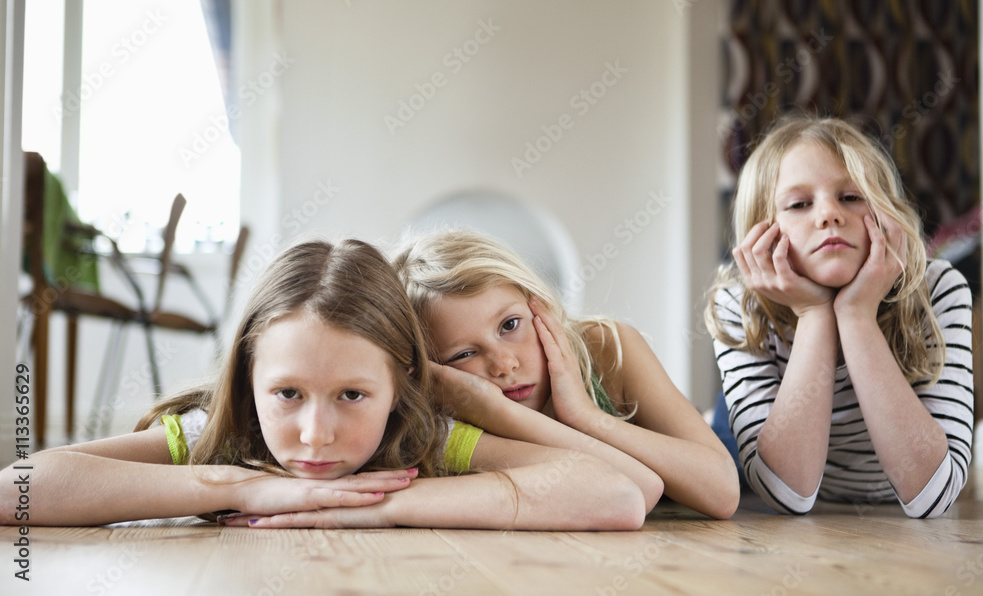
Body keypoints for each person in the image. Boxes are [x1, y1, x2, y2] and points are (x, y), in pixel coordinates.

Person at [1, 239, 653, 530]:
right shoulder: (232, 440)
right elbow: (17, 490)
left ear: (401, 389)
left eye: (352, 395)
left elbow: (620, 495)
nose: (316, 434)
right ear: (247, 380)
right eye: (288, 393)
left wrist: (378, 507)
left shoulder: (425, 441)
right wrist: (248, 484)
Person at [704, 115, 974, 518]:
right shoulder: (738, 303)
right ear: (762, 232)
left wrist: (856, 314)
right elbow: (788, 494)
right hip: (757, 422)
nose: (829, 214)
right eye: (798, 204)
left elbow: (933, 495)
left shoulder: (938, 289)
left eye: (851, 197)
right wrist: (814, 314)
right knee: (703, 459)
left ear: (886, 213)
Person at [394, 230, 740, 520]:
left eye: (510, 325)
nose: (504, 365)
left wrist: (585, 415)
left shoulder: (607, 347)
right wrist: (497, 412)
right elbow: (631, 489)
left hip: (720, 444)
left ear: (537, 304)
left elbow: (722, 493)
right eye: (464, 354)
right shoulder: (444, 420)